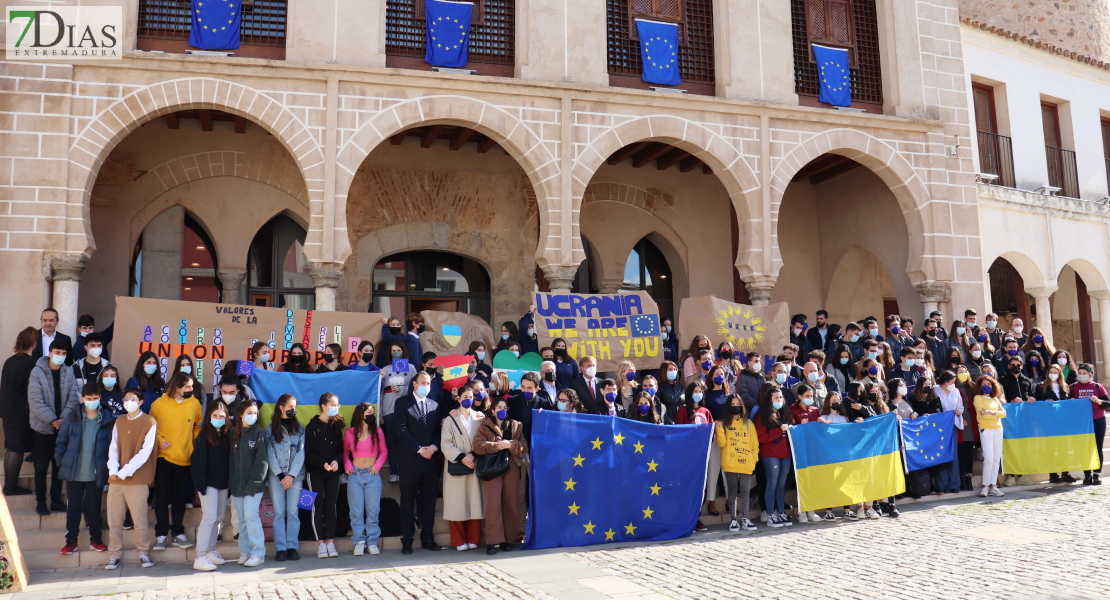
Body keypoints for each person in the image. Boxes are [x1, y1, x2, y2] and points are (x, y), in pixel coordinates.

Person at [55, 382, 115, 554]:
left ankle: (96, 540)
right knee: (73, 508)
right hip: (74, 473)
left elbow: (113, 446)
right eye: (89, 398)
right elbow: (61, 443)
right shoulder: (72, 418)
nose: (92, 401)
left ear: (100, 398)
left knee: (94, 508)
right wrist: (62, 463)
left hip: (95, 473)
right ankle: (71, 541)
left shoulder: (108, 419)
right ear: (82, 398)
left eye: (95, 398)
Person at [103, 388, 156, 570]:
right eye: (125, 399)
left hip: (137, 479)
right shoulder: (119, 420)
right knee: (114, 519)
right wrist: (113, 470)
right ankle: (114, 554)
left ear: (140, 401)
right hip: (116, 479)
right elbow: (113, 447)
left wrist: (124, 471)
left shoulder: (149, 421)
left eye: (132, 399)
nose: (127, 402)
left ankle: (143, 552)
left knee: (140, 519)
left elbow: (145, 452)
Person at [147, 373, 201, 550]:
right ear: (177, 387)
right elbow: (150, 427)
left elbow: (198, 426)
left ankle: (178, 533)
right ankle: (161, 534)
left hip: (185, 459)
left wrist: (194, 445)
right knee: (161, 498)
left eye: (191, 386)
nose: (191, 390)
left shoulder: (194, 404)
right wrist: (160, 440)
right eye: (187, 387)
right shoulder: (158, 404)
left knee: (179, 498)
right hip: (164, 457)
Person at [395, 372, 446, 553]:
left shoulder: (434, 404)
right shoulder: (402, 403)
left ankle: (428, 538)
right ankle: (407, 540)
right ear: (415, 384)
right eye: (423, 383)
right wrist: (418, 449)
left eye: (429, 384)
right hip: (409, 461)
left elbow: (437, 430)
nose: (426, 386)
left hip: (430, 461)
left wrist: (433, 446)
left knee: (428, 501)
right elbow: (401, 430)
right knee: (408, 500)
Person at [28, 339, 80, 515]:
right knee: (41, 467)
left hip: (63, 428)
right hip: (43, 429)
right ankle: (41, 502)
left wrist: (63, 419)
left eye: (64, 354)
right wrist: (52, 420)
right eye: (57, 352)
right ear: (50, 353)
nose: (60, 356)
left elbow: (73, 397)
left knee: (59, 467)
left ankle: (56, 500)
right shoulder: (37, 372)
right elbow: (35, 401)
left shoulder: (68, 372)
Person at [472, 395, 526, 555]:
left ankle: (507, 539)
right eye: (500, 408)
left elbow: (523, 447)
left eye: (505, 408)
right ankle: (492, 541)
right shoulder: (485, 426)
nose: (503, 410)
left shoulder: (516, 426)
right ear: (493, 410)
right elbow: (477, 446)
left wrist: (511, 444)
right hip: (492, 468)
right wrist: (496, 446)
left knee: (510, 503)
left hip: (512, 467)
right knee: (494, 504)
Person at [441, 387, 485, 552]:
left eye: (471, 396)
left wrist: (473, 455)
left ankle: (474, 538)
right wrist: (462, 457)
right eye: (465, 396)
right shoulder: (449, 420)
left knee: (475, 502)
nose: (468, 399)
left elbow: (484, 439)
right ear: (458, 398)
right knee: (456, 504)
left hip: (475, 463)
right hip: (457, 465)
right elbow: (445, 443)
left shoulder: (480, 418)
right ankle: (459, 540)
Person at [342, 401, 386, 555]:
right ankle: (359, 541)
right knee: (356, 510)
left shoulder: (378, 432)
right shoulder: (349, 432)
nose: (371, 415)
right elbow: (345, 452)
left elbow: (384, 451)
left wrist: (378, 465)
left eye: (372, 412)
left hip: (372, 474)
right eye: (369, 412)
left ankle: (372, 541)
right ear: (361, 414)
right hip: (355, 475)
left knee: (373, 510)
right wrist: (347, 464)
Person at [191, 400, 230, 571]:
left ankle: (210, 551)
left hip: (223, 484)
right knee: (208, 518)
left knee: (218, 518)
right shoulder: (203, 436)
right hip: (208, 485)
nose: (218, 419)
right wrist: (201, 485)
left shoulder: (227, 436)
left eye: (222, 416)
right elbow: (197, 464)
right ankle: (200, 556)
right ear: (209, 417)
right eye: (215, 415)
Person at [227, 400, 267, 567]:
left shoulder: (259, 433)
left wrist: (254, 483)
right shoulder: (232, 434)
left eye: (255, 413)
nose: (252, 416)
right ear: (241, 414)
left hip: (254, 486)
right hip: (237, 486)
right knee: (241, 519)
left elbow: (262, 461)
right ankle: (245, 551)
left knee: (251, 516)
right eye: (249, 413)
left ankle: (258, 552)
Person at [266, 394, 305, 561]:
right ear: (281, 407)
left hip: (295, 476)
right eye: (290, 407)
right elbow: (269, 453)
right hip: (276, 476)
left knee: (293, 511)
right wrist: (281, 475)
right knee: (279, 511)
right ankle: (280, 548)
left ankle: (292, 547)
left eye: (294, 407)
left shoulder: (300, 428)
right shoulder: (271, 429)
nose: (293, 410)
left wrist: (291, 475)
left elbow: (301, 452)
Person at [305, 392, 345, 558]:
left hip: (333, 473)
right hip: (315, 472)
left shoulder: (337, 425)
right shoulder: (311, 426)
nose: (336, 408)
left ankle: (331, 542)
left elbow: (340, 449)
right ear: (323, 406)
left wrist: (336, 461)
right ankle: (320, 543)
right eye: (333, 405)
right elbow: (309, 453)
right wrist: (323, 463)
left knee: (331, 506)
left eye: (337, 405)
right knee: (316, 506)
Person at [1, 327, 37, 496]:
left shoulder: (10, 360)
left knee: (11, 447)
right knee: (17, 449)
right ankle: (10, 487)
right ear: (34, 343)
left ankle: (9, 485)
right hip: (20, 410)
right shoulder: (30, 363)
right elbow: (32, 390)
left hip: (7, 409)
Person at [716, 394, 758, 531]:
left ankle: (745, 518)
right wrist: (719, 430)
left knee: (746, 492)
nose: (736, 407)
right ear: (729, 407)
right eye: (733, 405)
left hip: (746, 463)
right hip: (730, 464)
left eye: (738, 404)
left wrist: (753, 460)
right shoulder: (723, 423)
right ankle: (733, 520)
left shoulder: (749, 423)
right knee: (732, 492)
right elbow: (722, 443)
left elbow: (754, 445)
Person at [755, 383, 792, 527]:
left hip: (785, 453)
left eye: (781, 397)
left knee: (781, 485)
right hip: (770, 453)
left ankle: (781, 512)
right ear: (769, 399)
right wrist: (779, 430)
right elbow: (761, 437)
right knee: (772, 484)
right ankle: (771, 514)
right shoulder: (762, 416)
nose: (779, 400)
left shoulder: (784, 413)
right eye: (776, 397)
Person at [380, 340, 417, 483]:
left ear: (404, 351)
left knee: (406, 440)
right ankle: (394, 472)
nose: (396, 352)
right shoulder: (385, 369)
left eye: (398, 350)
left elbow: (415, 389)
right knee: (392, 441)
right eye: (393, 350)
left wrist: (401, 390)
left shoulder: (411, 368)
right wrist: (381, 413)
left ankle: (406, 471)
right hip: (389, 410)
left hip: (406, 409)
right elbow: (380, 392)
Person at [1069, 363, 1109, 486]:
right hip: (1081, 422)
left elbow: (1108, 403)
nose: (1081, 375)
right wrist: (1071, 402)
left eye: (1084, 373)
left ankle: (1097, 474)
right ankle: (1087, 474)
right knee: (1084, 447)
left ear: (1090, 375)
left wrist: (1098, 401)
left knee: (1098, 447)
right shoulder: (1072, 387)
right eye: (1079, 373)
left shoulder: (1098, 386)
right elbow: (1065, 403)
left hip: (1097, 419)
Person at [973, 375, 1007, 497]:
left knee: (997, 458)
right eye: (984, 384)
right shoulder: (978, 398)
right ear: (980, 386)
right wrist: (995, 414)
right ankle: (985, 486)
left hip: (998, 429)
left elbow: (1003, 414)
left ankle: (993, 486)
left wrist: (990, 412)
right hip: (986, 429)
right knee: (989, 458)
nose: (986, 386)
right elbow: (983, 415)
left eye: (989, 384)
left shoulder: (995, 399)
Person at [933, 371, 964, 493]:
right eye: (952, 382)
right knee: (942, 453)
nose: (953, 384)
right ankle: (943, 485)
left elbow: (960, 407)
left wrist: (958, 411)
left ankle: (954, 484)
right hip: (940, 426)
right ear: (945, 382)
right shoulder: (935, 390)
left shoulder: (955, 391)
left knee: (953, 454)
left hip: (952, 425)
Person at [953, 365, 980, 490]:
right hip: (959, 419)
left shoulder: (972, 387)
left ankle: (969, 477)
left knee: (969, 450)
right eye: (960, 372)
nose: (963, 373)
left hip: (970, 419)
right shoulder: (953, 387)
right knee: (961, 450)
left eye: (965, 371)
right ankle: (962, 477)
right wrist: (959, 418)